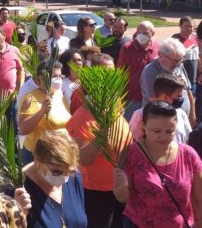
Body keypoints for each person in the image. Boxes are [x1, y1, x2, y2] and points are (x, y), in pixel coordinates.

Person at [113, 101, 202, 228]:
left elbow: (199, 198)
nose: (163, 137)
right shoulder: (131, 153)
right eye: (156, 131)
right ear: (143, 126)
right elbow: (123, 197)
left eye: (169, 131)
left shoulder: (189, 155)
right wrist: (120, 187)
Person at [67, 95, 131, 227]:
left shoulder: (114, 108)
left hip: (121, 189)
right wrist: (101, 135)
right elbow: (82, 159)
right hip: (96, 193)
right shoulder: (82, 118)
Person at [24, 130, 87, 228]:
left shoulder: (74, 178)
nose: (65, 177)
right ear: (38, 163)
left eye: (69, 171)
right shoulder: (21, 192)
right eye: (57, 172)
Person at [18, 60, 70, 165]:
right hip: (38, 156)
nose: (58, 79)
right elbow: (23, 129)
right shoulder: (30, 98)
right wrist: (42, 111)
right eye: (55, 76)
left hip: (60, 152)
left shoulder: (59, 95)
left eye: (60, 76)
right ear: (42, 77)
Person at [141, 38, 195, 126]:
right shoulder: (150, 71)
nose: (177, 64)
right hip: (163, 124)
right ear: (160, 55)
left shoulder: (178, 66)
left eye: (179, 60)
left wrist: (192, 117)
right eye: (174, 60)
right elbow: (153, 100)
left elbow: (188, 90)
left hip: (183, 120)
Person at [130, 72, 191, 143]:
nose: (181, 99)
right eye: (178, 97)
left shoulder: (181, 114)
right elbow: (131, 141)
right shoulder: (140, 115)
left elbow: (188, 140)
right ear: (165, 97)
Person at [117, 20, 159, 120]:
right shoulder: (127, 48)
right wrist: (119, 98)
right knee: (132, 129)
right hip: (133, 98)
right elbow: (120, 73)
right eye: (138, 32)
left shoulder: (157, 47)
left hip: (152, 97)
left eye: (145, 33)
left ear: (152, 34)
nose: (141, 35)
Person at [172, 16, 200, 120]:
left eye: (191, 26)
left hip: (193, 81)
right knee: (180, 107)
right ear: (180, 26)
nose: (189, 28)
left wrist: (200, 73)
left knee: (191, 105)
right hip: (180, 82)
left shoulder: (195, 40)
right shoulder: (175, 40)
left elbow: (197, 57)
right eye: (186, 26)